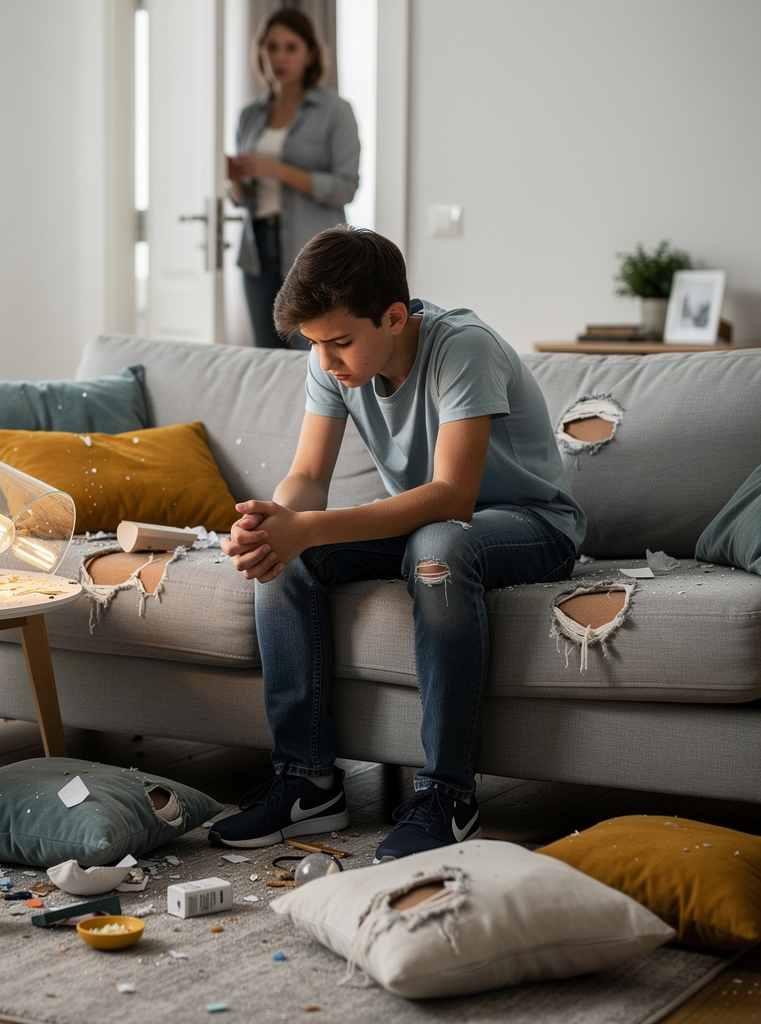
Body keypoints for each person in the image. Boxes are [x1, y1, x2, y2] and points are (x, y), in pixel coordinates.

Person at [211, 226, 586, 859]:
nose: (327, 361)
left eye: (339, 343)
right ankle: (307, 783)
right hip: (426, 528)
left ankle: (449, 796)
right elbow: (307, 478)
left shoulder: (464, 348)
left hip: (531, 526)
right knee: (286, 557)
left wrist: (309, 528)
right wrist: (273, 523)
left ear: (392, 316)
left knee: (438, 546)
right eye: (316, 346)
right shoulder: (329, 358)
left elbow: (452, 497)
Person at [228, 8, 359, 349]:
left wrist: (277, 170)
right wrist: (236, 183)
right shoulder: (249, 116)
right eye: (272, 47)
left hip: (312, 250)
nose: (279, 57)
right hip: (256, 250)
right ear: (261, 52)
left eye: (291, 47)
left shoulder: (336, 111)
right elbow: (243, 198)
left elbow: (346, 187)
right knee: (265, 360)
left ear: (310, 54)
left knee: (313, 355)